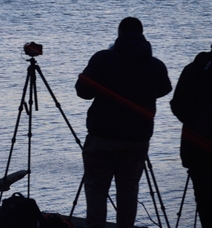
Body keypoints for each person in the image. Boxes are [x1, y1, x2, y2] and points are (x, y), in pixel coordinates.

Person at [75, 17, 172, 228]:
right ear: (142, 35)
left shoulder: (103, 59)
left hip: (103, 136)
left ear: (119, 34)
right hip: (138, 138)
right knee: (129, 190)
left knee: (97, 188)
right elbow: (165, 89)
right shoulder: (155, 65)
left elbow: (83, 91)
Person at [171, 43, 211, 228]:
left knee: (204, 200)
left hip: (195, 147)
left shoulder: (192, 69)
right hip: (197, 145)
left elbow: (177, 104)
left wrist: (193, 124)